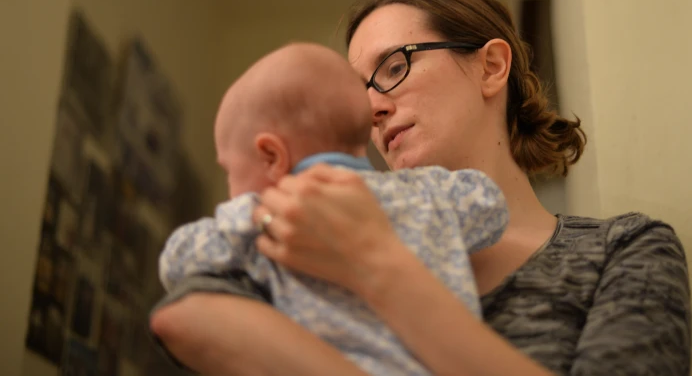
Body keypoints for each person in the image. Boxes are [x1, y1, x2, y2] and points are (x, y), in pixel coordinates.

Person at [151, 0, 692, 376]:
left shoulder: (622, 251)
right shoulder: (289, 232)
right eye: (358, 91)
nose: (372, 111)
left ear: (491, 67)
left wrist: (376, 265)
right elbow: (184, 314)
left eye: (393, 67)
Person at [154, 41, 509, 375]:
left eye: (230, 170)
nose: (231, 188)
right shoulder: (428, 192)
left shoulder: (269, 218)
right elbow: (491, 207)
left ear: (271, 156)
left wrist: (249, 217)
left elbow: (178, 261)